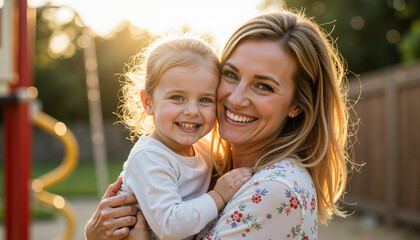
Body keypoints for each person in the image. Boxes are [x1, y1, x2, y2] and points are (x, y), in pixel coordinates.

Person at [86, 10, 354, 240]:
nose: (235, 99)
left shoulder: (275, 190)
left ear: (297, 105)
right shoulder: (209, 160)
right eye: (231, 74)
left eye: (263, 86)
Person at [90, 36, 252, 240]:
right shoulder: (150, 157)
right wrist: (217, 196)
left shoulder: (202, 149)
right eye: (177, 98)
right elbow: (170, 225)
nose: (192, 111)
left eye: (204, 99)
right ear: (148, 102)